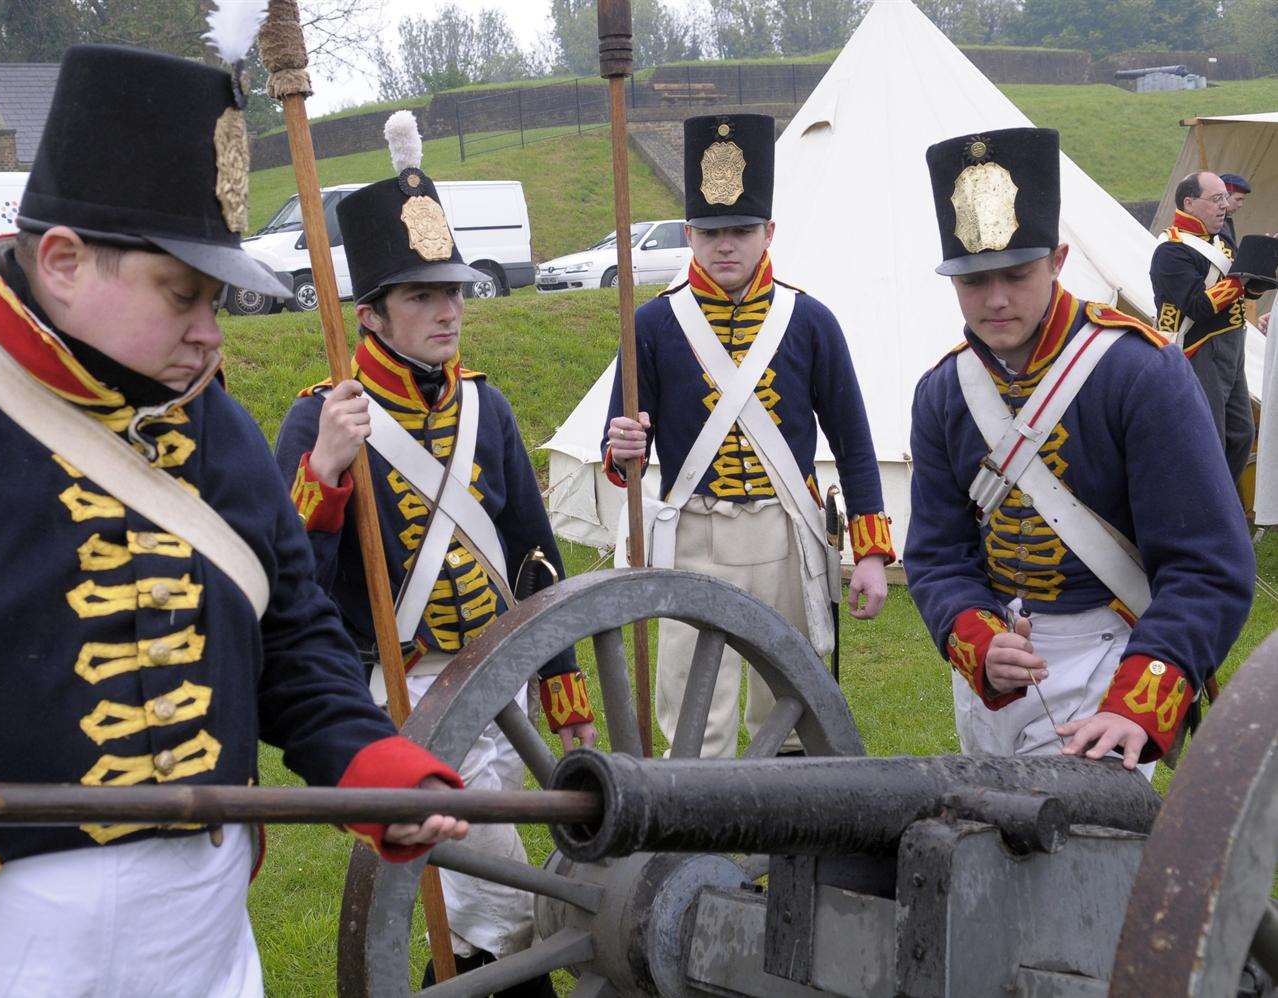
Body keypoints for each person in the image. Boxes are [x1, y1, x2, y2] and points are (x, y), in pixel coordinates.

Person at [0, 45, 468, 998]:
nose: (211, 333)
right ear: (62, 260)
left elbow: (295, 640)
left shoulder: (219, 429)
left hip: (201, 940)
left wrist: (371, 759)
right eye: (183, 295)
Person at [275, 112, 595, 993]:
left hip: (498, 677)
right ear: (372, 312)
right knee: (493, 885)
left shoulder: (485, 410)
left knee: (488, 887)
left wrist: (562, 683)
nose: (448, 310)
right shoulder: (320, 416)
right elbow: (283, 575)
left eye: (451, 291)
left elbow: (534, 553)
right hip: (399, 681)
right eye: (422, 296)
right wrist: (325, 471)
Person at [907, 127, 1254, 774]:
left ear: (1058, 260)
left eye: (1017, 274)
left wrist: (1136, 703)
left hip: (1110, 655)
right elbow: (935, 557)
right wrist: (979, 643)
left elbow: (1208, 565)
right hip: (992, 674)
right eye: (974, 281)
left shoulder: (1140, 374)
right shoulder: (942, 394)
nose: (997, 299)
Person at [603, 113, 895, 760]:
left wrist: (871, 551)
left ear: (768, 231)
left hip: (783, 534)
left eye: (739, 230)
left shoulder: (810, 321)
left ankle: (786, 858)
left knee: (789, 714)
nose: (725, 246)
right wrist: (623, 449)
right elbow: (623, 449)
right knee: (693, 726)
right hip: (695, 535)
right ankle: (696, 861)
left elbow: (852, 439)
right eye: (710, 233)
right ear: (689, 234)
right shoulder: (652, 326)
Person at [1150, 170, 1263, 486]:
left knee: (1241, 433)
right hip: (1200, 348)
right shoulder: (1170, 251)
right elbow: (1198, 306)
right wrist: (1242, 281)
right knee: (1209, 436)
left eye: (1225, 198)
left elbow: (1240, 289)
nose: (1225, 205)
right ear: (1189, 202)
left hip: (1232, 344)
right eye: (1216, 199)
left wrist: (1261, 271)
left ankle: (1221, 499)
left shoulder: (1222, 236)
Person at [1218, 172, 1251, 247]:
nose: (1240, 205)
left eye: (1242, 200)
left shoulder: (1227, 222)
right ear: (1223, 196)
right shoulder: (1209, 223)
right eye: (1238, 199)